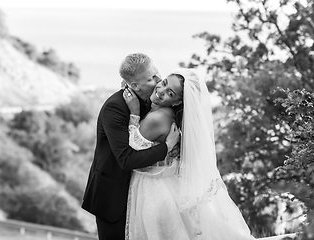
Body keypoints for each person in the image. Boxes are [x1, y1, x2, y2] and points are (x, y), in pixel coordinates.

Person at [122, 68, 256, 240]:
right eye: (163, 83)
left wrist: (134, 112)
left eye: (170, 92)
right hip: (170, 185)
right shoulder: (173, 117)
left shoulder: (156, 119)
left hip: (152, 189)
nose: (161, 90)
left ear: (178, 101)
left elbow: (131, 149)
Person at [81, 53, 180, 240]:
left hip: (144, 195)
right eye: (152, 78)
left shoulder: (153, 100)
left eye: (157, 74)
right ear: (134, 86)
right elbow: (126, 159)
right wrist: (166, 147)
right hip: (113, 197)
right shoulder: (114, 108)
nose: (159, 80)